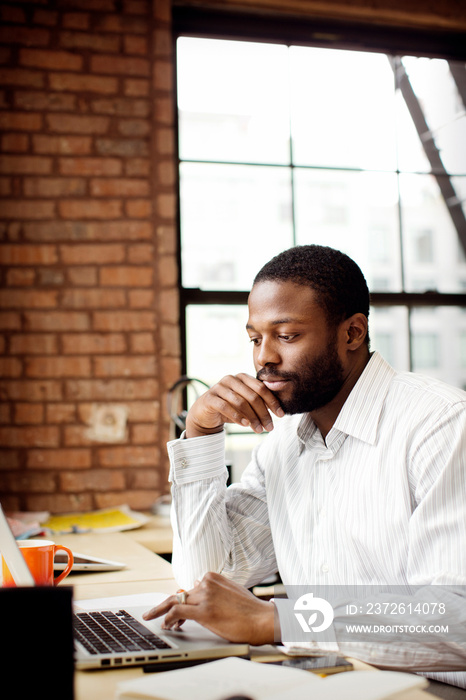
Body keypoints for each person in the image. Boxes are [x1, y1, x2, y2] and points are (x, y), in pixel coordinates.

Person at [144, 245, 466, 687]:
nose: (263, 359)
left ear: (352, 333)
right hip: (325, 679)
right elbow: (208, 579)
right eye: (256, 339)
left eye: (287, 336)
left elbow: (456, 616)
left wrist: (281, 622)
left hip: (432, 691)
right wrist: (201, 435)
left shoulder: (442, 424)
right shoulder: (280, 442)